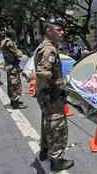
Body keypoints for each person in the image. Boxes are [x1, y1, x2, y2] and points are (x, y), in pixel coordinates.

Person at [34, 19, 74, 172]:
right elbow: (44, 73)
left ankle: (44, 150)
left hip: (46, 93)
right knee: (57, 125)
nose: (62, 32)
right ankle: (56, 160)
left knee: (47, 121)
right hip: (51, 94)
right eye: (58, 29)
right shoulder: (49, 49)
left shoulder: (45, 46)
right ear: (49, 31)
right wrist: (52, 91)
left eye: (62, 30)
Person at [1, 30, 27, 109]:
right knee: (15, 84)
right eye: (14, 34)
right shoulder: (9, 42)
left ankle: (13, 101)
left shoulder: (4, 41)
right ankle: (15, 103)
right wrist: (21, 52)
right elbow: (17, 54)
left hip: (9, 65)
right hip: (13, 66)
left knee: (11, 84)